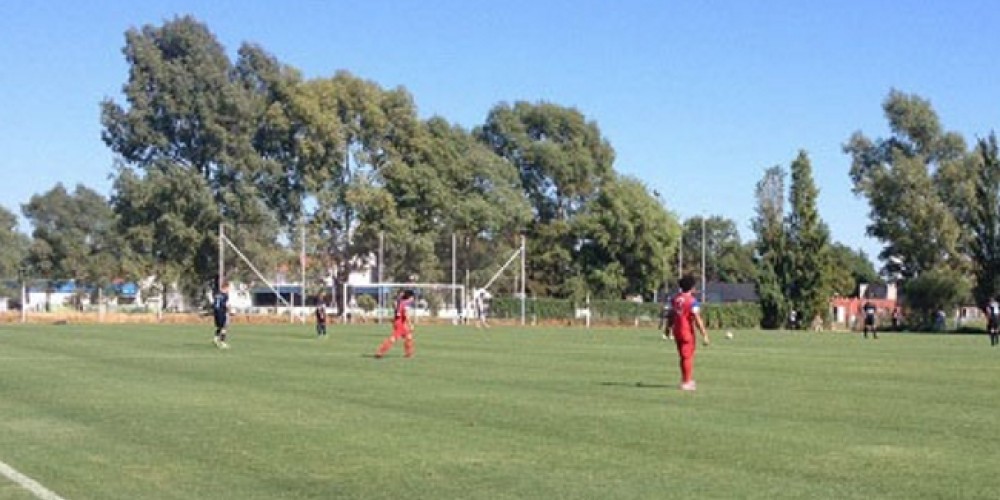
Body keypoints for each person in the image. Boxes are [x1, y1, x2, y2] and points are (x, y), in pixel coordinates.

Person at [670, 275, 710, 391]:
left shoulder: (675, 299)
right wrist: (704, 334)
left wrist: (668, 328)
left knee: (683, 356)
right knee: (687, 356)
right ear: (692, 288)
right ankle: (686, 382)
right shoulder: (692, 301)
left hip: (677, 331)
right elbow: (697, 319)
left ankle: (686, 379)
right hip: (686, 331)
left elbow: (671, 315)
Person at [374, 289, 416, 358]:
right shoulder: (405, 304)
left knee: (408, 337)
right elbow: (406, 314)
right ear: (410, 297)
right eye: (412, 297)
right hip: (400, 323)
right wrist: (410, 324)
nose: (413, 299)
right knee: (394, 338)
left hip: (398, 321)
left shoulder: (400, 301)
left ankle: (409, 354)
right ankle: (380, 352)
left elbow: (397, 308)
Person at [212, 282, 231, 349]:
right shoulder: (225, 295)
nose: (229, 289)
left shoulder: (217, 294)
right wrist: (229, 310)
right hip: (221, 312)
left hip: (216, 313)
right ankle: (222, 343)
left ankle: (215, 339)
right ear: (225, 288)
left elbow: (214, 304)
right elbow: (225, 305)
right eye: (228, 288)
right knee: (224, 327)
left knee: (219, 327)